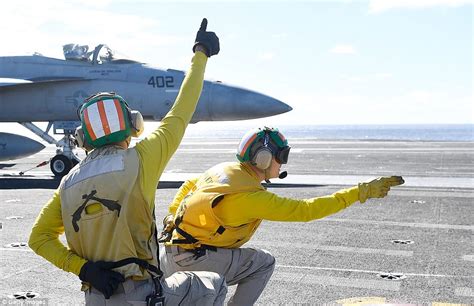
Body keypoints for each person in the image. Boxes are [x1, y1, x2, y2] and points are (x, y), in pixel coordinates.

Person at [29, 18, 228, 305]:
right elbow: (181, 109)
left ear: (83, 139)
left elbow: (39, 239)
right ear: (134, 125)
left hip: (96, 297)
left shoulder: (68, 183)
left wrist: (83, 268)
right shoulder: (143, 157)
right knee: (214, 285)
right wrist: (201, 52)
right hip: (142, 294)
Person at [159, 126, 405, 305]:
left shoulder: (225, 171)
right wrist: (360, 192)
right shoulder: (251, 198)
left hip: (169, 253)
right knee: (263, 263)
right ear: (264, 159)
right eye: (282, 156)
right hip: (193, 260)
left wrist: (172, 216)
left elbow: (188, 184)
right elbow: (306, 211)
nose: (283, 163)